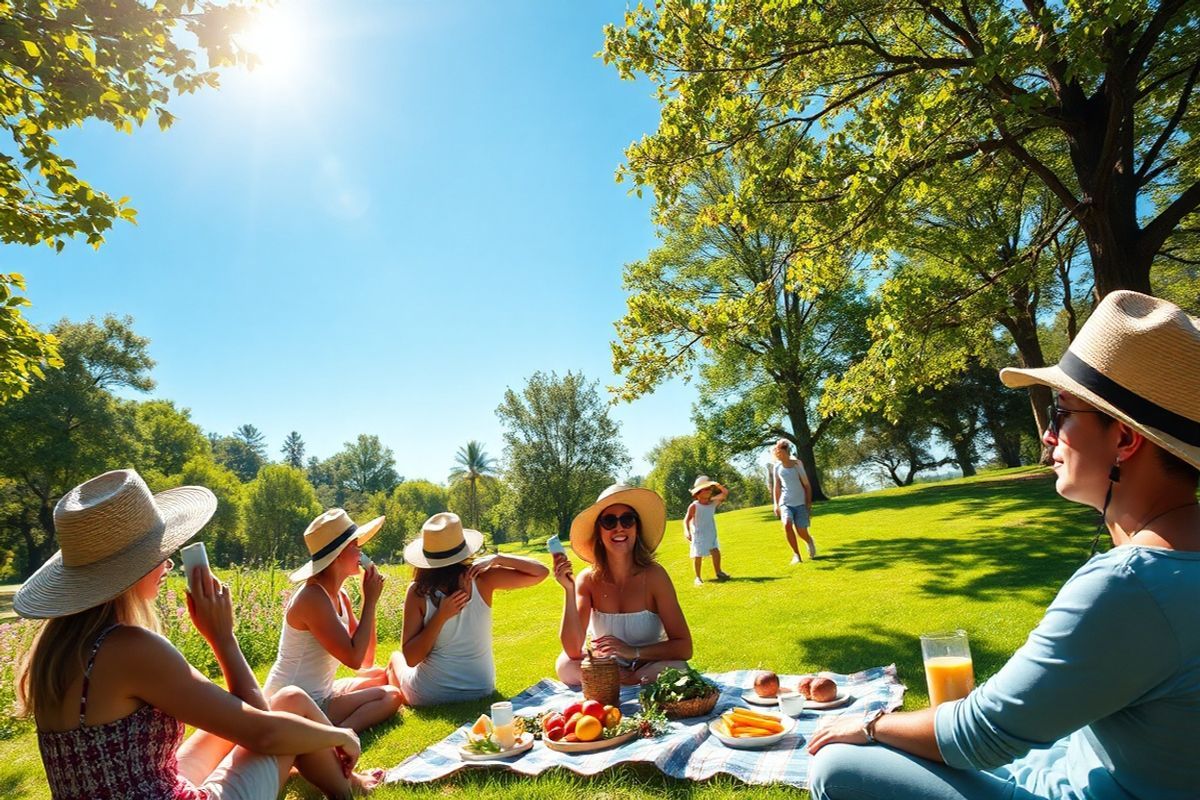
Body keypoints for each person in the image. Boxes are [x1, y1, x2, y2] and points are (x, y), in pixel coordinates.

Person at [808, 291, 1200, 800]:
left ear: (1124, 440)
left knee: (839, 767)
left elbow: (981, 734)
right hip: (1085, 766)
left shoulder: (1132, 584)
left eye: (1061, 414)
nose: (1046, 434)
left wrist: (872, 725)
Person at [13, 469, 382, 800]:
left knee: (265, 713)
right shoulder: (131, 648)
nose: (168, 562)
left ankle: (345, 781)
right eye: (157, 553)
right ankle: (348, 789)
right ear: (127, 570)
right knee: (289, 702)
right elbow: (262, 731)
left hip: (149, 781)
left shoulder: (55, 649)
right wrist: (340, 736)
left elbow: (240, 716)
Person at [385, 512, 548, 706]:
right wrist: (498, 558)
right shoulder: (482, 578)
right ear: (463, 549)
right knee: (399, 662)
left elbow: (411, 658)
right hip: (481, 688)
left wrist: (440, 617)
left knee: (395, 659)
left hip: (430, 694)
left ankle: (391, 696)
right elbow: (541, 572)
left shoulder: (418, 591)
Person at [263, 508, 403, 732]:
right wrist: (370, 603)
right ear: (338, 554)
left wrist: (369, 600)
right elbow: (354, 659)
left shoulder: (340, 595)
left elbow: (367, 658)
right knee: (392, 695)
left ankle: (332, 732)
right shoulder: (313, 597)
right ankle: (340, 737)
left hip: (322, 692)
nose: (360, 552)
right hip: (296, 704)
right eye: (355, 546)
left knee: (378, 675)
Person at [555, 484, 693, 686]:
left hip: (648, 665)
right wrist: (569, 589)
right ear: (599, 533)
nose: (619, 527)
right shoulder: (587, 580)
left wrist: (633, 652)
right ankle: (624, 681)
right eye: (609, 521)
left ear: (637, 528)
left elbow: (684, 648)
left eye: (627, 519)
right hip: (606, 666)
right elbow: (573, 650)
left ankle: (620, 682)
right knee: (565, 665)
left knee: (678, 668)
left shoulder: (655, 576)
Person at [772, 438, 816, 563]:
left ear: (786, 451)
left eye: (779, 451)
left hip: (801, 502)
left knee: (801, 531)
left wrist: (808, 504)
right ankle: (797, 555)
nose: (777, 454)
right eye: (776, 451)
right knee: (787, 524)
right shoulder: (777, 467)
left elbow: (807, 485)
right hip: (785, 502)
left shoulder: (797, 464)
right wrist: (776, 504)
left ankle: (809, 540)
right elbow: (777, 486)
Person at [683, 475, 730, 585]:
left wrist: (718, 485)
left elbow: (725, 493)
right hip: (699, 534)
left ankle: (719, 572)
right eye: (706, 489)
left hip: (711, 533)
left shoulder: (712, 503)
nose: (709, 491)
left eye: (710, 488)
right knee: (698, 556)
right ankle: (698, 578)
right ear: (698, 493)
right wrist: (686, 531)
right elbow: (686, 520)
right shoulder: (694, 506)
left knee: (716, 552)